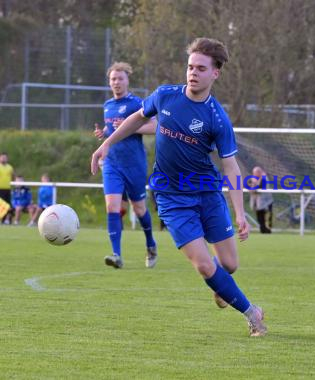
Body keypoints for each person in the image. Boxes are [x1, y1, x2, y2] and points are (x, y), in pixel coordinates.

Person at [90, 37, 266, 336]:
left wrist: (239, 212)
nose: (192, 73)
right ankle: (253, 313)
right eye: (189, 66)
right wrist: (106, 143)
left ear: (215, 74)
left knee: (230, 265)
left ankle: (222, 285)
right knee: (203, 266)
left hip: (207, 194)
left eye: (200, 68)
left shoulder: (217, 118)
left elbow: (231, 166)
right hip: (171, 198)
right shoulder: (166, 96)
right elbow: (136, 118)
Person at [93, 61, 158, 269]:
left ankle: (150, 244)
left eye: (120, 78)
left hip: (134, 164)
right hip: (112, 164)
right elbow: (112, 128)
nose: (117, 82)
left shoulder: (137, 103)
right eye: (113, 79)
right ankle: (116, 254)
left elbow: (155, 126)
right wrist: (104, 134)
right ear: (109, 82)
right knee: (112, 206)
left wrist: (131, 128)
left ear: (127, 80)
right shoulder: (107, 106)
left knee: (139, 209)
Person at [249, 166, 273, 234]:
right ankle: (263, 230)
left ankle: (268, 231)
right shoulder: (253, 179)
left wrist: (255, 184)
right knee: (260, 217)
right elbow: (250, 188)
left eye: (255, 173)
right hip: (259, 203)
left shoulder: (264, 179)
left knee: (268, 217)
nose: (253, 175)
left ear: (259, 172)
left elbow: (259, 188)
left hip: (266, 202)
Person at [0, 152, 15, 224]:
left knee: (8, 205)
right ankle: (2, 219)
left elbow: (13, 177)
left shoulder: (10, 167)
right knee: (2, 205)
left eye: (5, 157)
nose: (4, 159)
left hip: (7, 189)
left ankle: (7, 220)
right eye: (2, 157)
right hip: (0, 189)